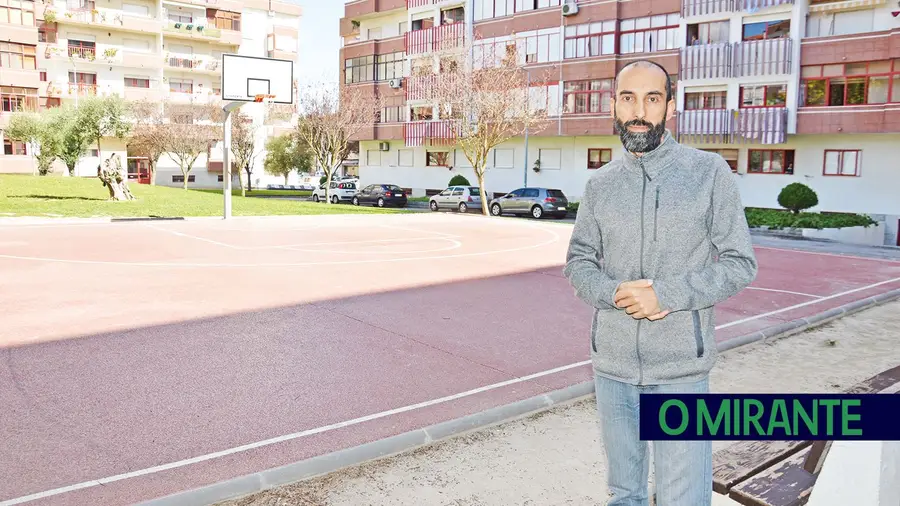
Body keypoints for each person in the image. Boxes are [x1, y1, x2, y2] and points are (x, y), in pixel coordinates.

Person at [562, 60, 758, 505]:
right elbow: (578, 262)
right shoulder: (600, 185)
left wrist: (665, 295)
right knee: (625, 495)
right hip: (612, 368)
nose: (639, 110)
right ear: (614, 104)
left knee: (683, 498)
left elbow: (739, 263)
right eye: (628, 97)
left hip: (681, 373)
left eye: (652, 98)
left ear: (670, 107)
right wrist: (613, 293)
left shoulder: (709, 173)